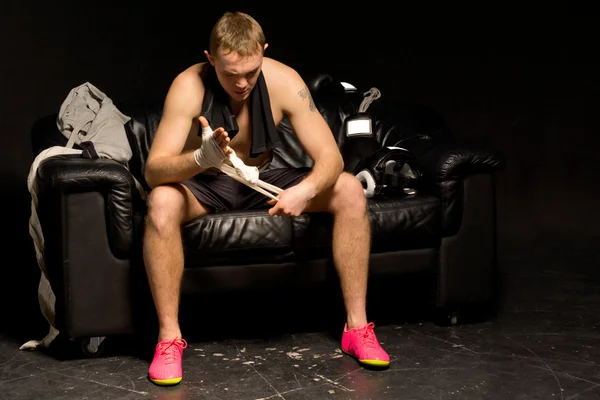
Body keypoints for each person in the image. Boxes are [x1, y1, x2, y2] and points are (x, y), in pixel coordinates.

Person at [142, 11, 390, 386]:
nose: (241, 84)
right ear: (210, 59)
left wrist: (305, 191)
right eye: (230, 73)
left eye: (251, 72)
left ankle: (357, 329)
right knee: (161, 202)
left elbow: (331, 158)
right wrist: (199, 159)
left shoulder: (284, 80)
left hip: (260, 179)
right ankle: (168, 339)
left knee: (350, 189)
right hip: (207, 181)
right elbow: (153, 171)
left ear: (263, 52)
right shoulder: (188, 86)